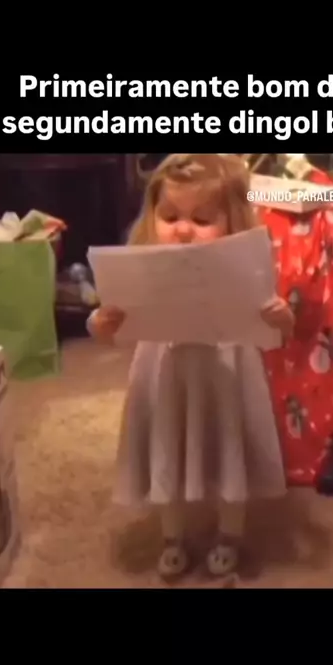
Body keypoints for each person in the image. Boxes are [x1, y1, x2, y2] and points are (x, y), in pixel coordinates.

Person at [87, 154, 294, 580]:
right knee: (166, 449)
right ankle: (172, 537)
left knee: (229, 450)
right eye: (170, 216)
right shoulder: (143, 264)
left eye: (201, 219)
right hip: (165, 374)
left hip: (226, 373)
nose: (182, 229)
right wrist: (99, 323)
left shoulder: (245, 268)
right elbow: (110, 326)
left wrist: (281, 317)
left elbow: (280, 330)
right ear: (152, 215)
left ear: (232, 221)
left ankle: (229, 534)